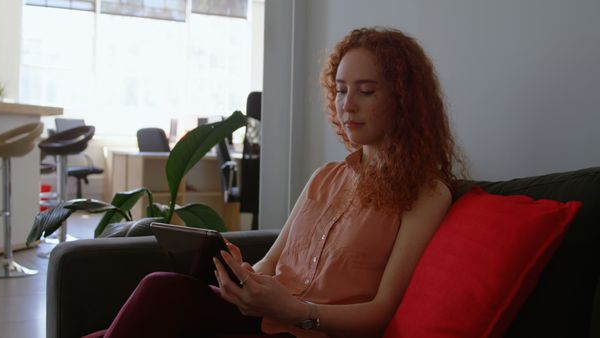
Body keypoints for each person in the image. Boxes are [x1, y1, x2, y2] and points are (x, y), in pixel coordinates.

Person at [84, 27, 464, 338]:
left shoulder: (426, 194)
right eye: (341, 90)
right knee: (162, 289)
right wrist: (242, 277)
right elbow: (270, 263)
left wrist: (297, 310)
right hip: (261, 318)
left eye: (366, 91)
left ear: (404, 100)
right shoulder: (324, 178)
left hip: (304, 331)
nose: (347, 105)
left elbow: (380, 313)